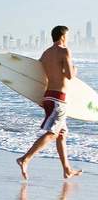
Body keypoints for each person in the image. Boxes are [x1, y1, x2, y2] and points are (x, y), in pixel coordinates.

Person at [17, 25, 82, 180]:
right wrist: (75, 68)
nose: (69, 38)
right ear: (63, 36)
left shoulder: (45, 53)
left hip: (48, 97)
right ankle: (25, 158)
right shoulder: (64, 51)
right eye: (68, 35)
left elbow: (39, 76)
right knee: (53, 133)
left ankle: (67, 170)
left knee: (61, 134)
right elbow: (70, 76)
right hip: (59, 99)